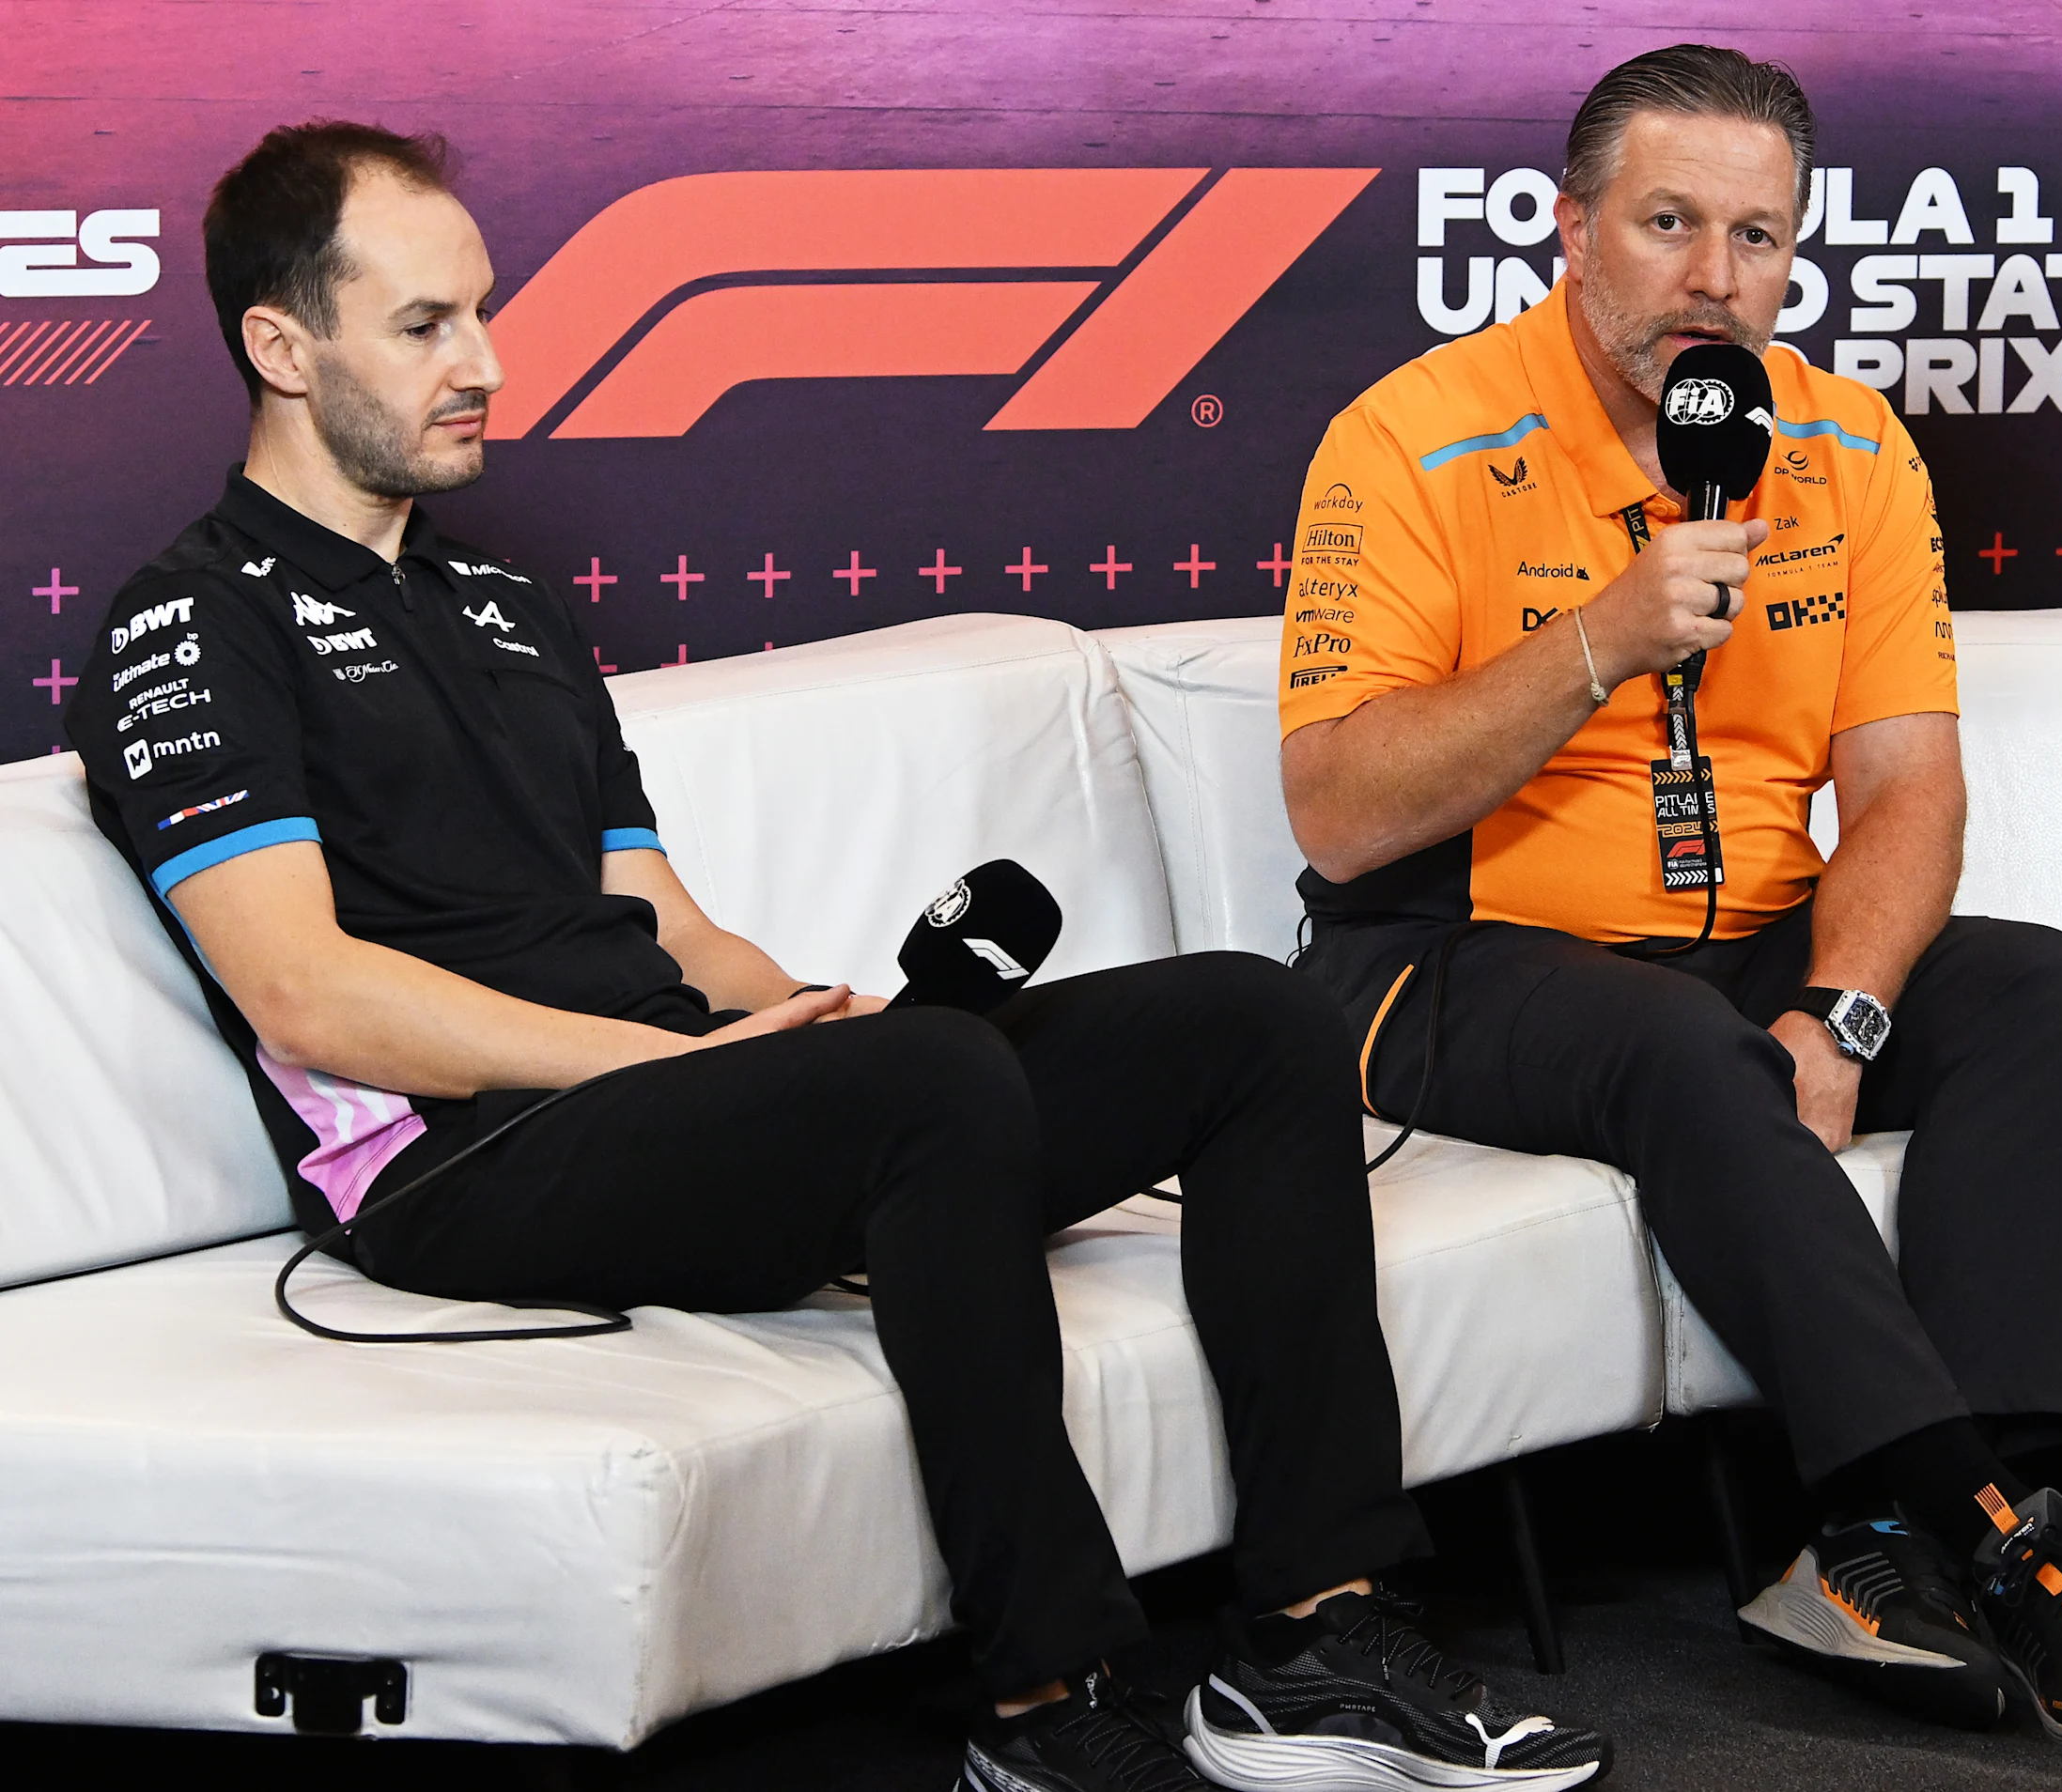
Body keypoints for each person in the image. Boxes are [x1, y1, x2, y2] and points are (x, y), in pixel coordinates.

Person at [69, 121, 1611, 1792]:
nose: (487, 364)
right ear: (282, 346)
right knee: (930, 1082)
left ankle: (1315, 1639)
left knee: (1247, 1023)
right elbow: (307, 994)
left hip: (667, 1098)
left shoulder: (507, 605)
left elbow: (665, 922)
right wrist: (700, 1068)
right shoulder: (191, 621)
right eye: (425, 325)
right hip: (462, 1164)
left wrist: (811, 1021)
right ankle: (1050, 1710)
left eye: (484, 312)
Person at [1275, 45, 2062, 1749]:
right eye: (1668, 224)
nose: (1716, 278)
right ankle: (1987, 1529)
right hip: (1448, 957)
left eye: (1758, 237)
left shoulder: (1848, 446)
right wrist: (1600, 639)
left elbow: (1909, 787)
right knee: (1677, 1045)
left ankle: (1872, 1545)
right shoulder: (1407, 436)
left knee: (2045, 990)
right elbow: (1337, 817)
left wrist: (1841, 1012)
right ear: (1571, 230)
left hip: (1749, 953)